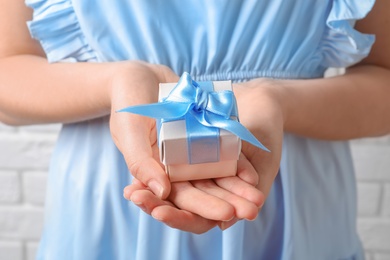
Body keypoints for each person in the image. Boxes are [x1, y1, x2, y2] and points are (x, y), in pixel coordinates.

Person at [0, 0, 389, 259]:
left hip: (293, 199)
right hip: (110, 208)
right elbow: (8, 71)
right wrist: (117, 81)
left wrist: (278, 100)